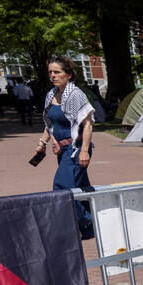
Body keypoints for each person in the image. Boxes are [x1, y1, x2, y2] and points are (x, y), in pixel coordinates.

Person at [32, 56, 96, 239]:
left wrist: (84, 151)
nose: (52, 75)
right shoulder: (51, 94)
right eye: (50, 72)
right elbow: (49, 124)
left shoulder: (76, 95)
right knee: (80, 188)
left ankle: (87, 221)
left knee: (61, 187)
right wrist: (42, 144)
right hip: (61, 150)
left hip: (76, 149)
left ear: (68, 75)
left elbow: (88, 124)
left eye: (57, 72)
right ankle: (88, 230)